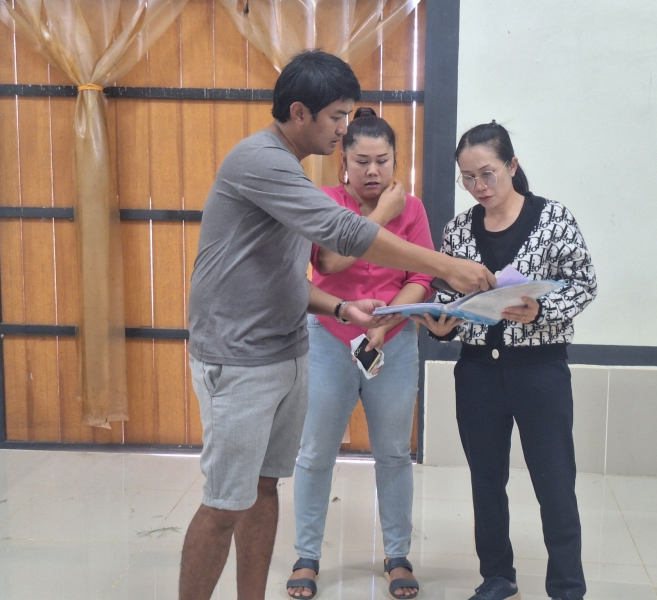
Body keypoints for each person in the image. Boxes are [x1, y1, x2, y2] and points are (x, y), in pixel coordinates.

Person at [179, 51, 494, 600]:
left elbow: (286, 279)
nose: (344, 128)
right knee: (226, 502)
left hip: (286, 350)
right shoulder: (263, 162)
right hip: (237, 357)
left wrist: (343, 309)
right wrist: (448, 266)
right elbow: (342, 237)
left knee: (264, 487)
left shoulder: (291, 170)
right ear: (300, 113)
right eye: (337, 117)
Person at [413, 122, 597, 600]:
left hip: (539, 370)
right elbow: (447, 296)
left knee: (555, 481)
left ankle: (567, 586)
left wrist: (541, 311)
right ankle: (497, 575)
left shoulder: (553, 218)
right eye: (468, 178)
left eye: (488, 173)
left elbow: (584, 284)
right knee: (486, 479)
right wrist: (441, 324)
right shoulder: (458, 230)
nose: (479, 186)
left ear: (512, 165)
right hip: (478, 371)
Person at [287, 107, 428, 600]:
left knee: (393, 453)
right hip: (329, 337)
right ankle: (307, 555)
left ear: (396, 162)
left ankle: (397, 555)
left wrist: (387, 322)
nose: (372, 171)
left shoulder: (415, 209)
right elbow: (327, 262)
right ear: (342, 162)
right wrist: (381, 215)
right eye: (362, 161)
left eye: (382, 161)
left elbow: (421, 277)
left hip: (394, 340)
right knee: (315, 451)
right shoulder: (326, 202)